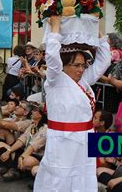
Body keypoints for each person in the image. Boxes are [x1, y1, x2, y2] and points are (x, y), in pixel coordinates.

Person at [33, 15, 111, 191]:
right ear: (65, 64)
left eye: (83, 65)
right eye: (77, 65)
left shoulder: (83, 80)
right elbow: (52, 58)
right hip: (62, 142)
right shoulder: (55, 79)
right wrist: (55, 28)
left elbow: (104, 61)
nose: (81, 69)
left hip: (84, 140)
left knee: (83, 179)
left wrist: (96, 31)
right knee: (59, 179)